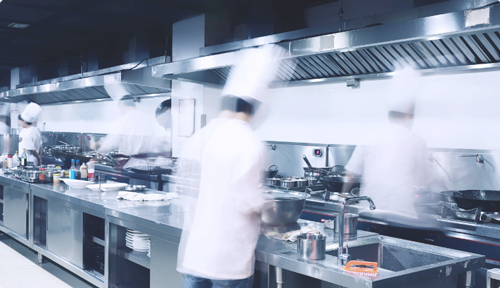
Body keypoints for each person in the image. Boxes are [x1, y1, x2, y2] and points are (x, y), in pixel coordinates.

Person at [177, 45, 290, 288]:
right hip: (228, 258)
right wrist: (270, 211)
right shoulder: (248, 141)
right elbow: (246, 198)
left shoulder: (205, 134)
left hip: (196, 250)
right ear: (254, 108)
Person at [344, 67, 431, 220]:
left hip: (369, 212)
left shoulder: (370, 136)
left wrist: (343, 197)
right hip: (402, 216)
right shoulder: (417, 141)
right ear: (409, 116)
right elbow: (423, 179)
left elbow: (350, 173)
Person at [98, 98, 156, 168]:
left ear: (122, 104)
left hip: (128, 164)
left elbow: (110, 143)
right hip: (145, 165)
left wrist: (97, 156)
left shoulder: (123, 119)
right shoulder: (147, 118)